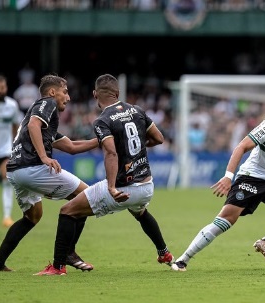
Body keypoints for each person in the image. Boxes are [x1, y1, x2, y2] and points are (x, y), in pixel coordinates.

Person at [170, 88, 265, 272]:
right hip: (251, 179)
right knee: (226, 220)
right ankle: (182, 260)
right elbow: (241, 146)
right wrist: (228, 177)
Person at [35, 74, 174, 276]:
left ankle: (57, 267)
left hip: (123, 188)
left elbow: (110, 152)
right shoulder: (137, 110)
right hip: (146, 186)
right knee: (140, 212)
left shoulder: (103, 120)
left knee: (68, 211)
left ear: (94, 94)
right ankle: (164, 253)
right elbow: (159, 138)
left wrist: (111, 187)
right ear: (117, 93)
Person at [0, 74, 98, 272]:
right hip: (31, 167)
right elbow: (33, 125)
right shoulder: (46, 103)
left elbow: (72, 146)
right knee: (86, 196)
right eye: (65, 92)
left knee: (32, 217)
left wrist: (103, 139)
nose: (68, 97)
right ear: (52, 92)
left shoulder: (44, 121)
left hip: (16, 172)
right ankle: (68, 252)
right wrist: (44, 157)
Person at [0, 75, 22, 227]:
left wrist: (14, 145)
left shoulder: (12, 105)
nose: (0, 90)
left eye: (2, 88)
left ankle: (7, 217)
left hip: (4, 150)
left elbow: (15, 126)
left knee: (7, 179)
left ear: (6, 89)